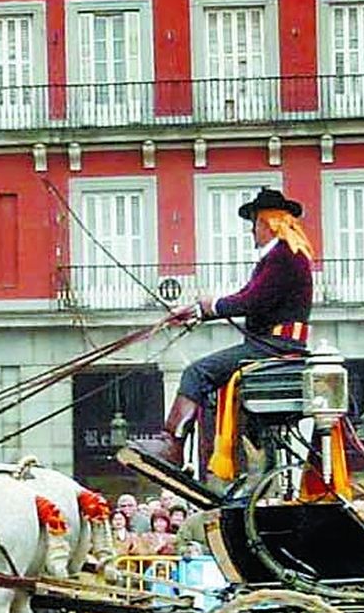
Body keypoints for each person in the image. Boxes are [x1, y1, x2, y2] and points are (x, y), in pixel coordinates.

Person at [133, 187, 314, 467]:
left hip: (273, 347)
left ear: (267, 222)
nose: (251, 232)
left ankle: (172, 445)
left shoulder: (283, 256)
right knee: (210, 377)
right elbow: (249, 297)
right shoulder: (284, 255)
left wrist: (211, 306)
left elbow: (251, 300)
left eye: (254, 224)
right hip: (275, 345)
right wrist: (196, 311)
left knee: (197, 372)